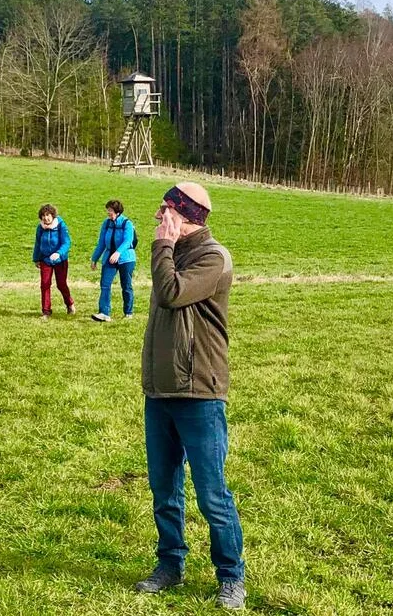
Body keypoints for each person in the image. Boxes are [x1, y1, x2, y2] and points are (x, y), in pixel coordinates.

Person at [135, 182, 246, 609]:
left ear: (187, 216)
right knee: (164, 489)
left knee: (211, 492)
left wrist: (162, 246)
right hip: (160, 391)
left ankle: (231, 575)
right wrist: (165, 248)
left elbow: (171, 292)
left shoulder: (213, 258)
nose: (159, 219)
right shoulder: (174, 254)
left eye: (166, 211)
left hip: (200, 392)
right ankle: (170, 564)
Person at [90, 199, 137, 322]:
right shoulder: (106, 224)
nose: (108, 213)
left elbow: (128, 241)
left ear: (118, 212)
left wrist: (118, 252)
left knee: (126, 285)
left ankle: (128, 312)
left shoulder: (127, 224)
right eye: (108, 210)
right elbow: (101, 243)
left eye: (110, 210)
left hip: (126, 258)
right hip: (109, 258)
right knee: (105, 284)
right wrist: (94, 258)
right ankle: (104, 313)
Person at [32, 204, 75, 320]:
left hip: (60, 260)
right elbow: (37, 243)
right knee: (45, 284)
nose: (45, 218)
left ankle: (69, 303)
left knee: (61, 284)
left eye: (48, 215)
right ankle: (46, 311)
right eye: (43, 216)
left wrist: (59, 253)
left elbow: (66, 243)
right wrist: (36, 258)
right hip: (45, 259)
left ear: (53, 215)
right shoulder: (40, 228)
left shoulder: (60, 225)